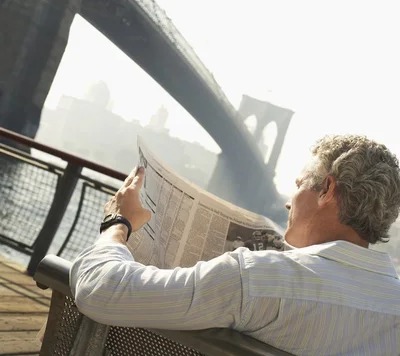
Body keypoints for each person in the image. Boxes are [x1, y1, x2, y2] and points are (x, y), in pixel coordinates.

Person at [70, 135, 400, 356]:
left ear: (327, 190)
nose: (288, 203)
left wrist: (118, 224)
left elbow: (103, 291)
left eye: (298, 186)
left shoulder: (260, 280)